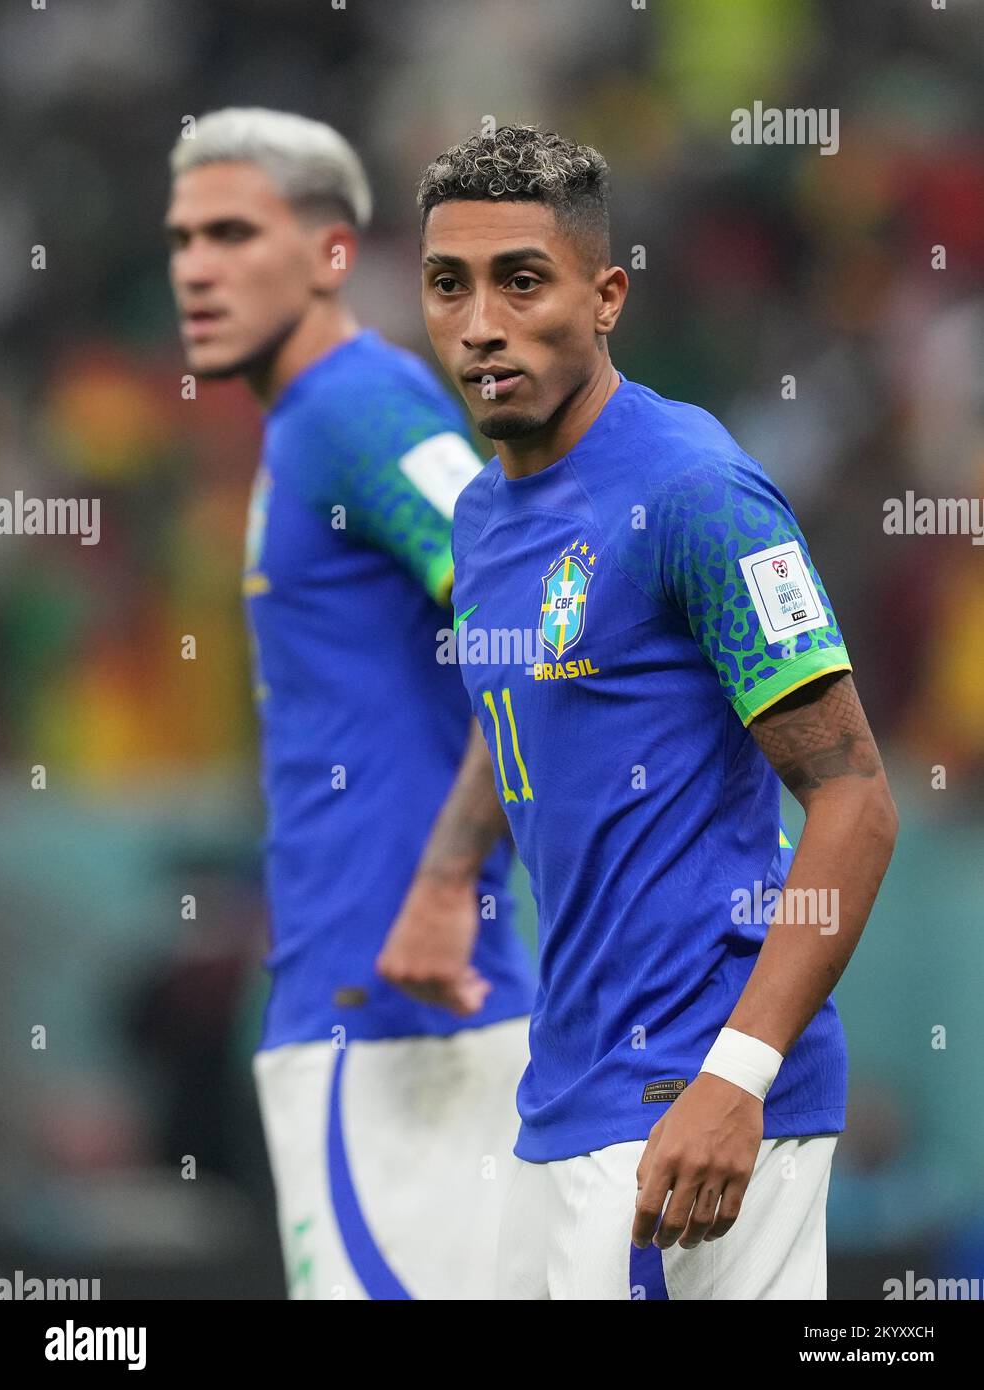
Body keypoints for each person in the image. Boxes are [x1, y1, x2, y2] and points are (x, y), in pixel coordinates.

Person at [408, 123, 898, 1300]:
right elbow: (519, 709)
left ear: (606, 293)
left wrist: (737, 1073)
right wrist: (440, 877)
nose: (480, 323)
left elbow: (854, 798)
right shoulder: (481, 516)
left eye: (521, 280)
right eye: (447, 284)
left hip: (694, 1105)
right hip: (562, 1099)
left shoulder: (694, 491)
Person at [165, 108, 534, 1300]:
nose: (197, 267)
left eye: (233, 232)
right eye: (182, 239)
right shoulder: (305, 426)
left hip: (396, 1006)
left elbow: (529, 627)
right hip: (364, 996)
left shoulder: (357, 408)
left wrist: (439, 887)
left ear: (329, 253)